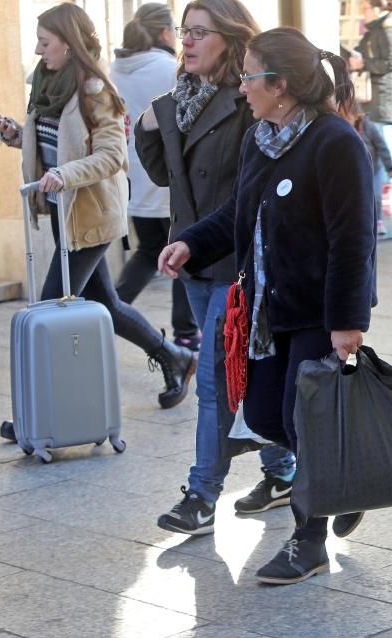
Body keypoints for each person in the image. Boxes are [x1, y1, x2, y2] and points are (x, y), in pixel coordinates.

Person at [157, 27, 376, 584]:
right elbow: (238, 210)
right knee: (261, 416)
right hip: (265, 311)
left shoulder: (335, 142)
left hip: (315, 312)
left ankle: (309, 540)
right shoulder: (261, 137)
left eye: (249, 75)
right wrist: (192, 242)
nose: (240, 85)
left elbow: (354, 239)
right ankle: (343, 476)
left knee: (301, 424)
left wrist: (347, 322)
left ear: (279, 85)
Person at [0, 2, 195, 432]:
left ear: (68, 43)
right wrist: (17, 137)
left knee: (48, 309)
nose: (38, 50)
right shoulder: (46, 84)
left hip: (92, 214)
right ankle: (174, 357)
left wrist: (63, 175)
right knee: (106, 303)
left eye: (45, 42)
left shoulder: (95, 90)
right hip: (64, 212)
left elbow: (110, 155)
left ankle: (35, 413)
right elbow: (58, 143)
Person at [136, 0, 297, 536]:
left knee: (212, 382)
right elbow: (166, 176)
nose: (187, 41)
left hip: (236, 260)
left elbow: (242, 195)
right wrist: (149, 128)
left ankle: (201, 495)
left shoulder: (246, 100)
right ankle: (282, 472)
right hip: (195, 257)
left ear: (228, 38)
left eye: (200, 32)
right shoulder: (179, 101)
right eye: (184, 32)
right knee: (238, 377)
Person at [110, 3, 200, 352]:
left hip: (132, 180)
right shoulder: (169, 69)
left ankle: (110, 309)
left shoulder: (112, 70)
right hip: (168, 180)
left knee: (150, 251)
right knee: (184, 253)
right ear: (166, 33)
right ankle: (186, 330)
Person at [357, 0, 392, 207]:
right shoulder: (377, 29)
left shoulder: (389, 29)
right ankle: (386, 183)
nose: (363, 14)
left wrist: (363, 63)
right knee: (381, 135)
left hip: (386, 92)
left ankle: (391, 184)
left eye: (365, 8)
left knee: (385, 136)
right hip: (379, 91)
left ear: (378, 8)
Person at [353, 105, 392, 235]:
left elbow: (382, 146)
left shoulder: (369, 127)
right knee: (360, 197)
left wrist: (390, 167)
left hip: (374, 169)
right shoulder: (345, 127)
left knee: (376, 196)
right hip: (357, 170)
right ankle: (363, 223)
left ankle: (379, 222)